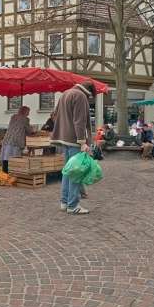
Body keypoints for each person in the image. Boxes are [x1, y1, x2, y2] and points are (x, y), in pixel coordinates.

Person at [50, 81, 94, 215]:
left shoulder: (65, 93)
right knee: (75, 172)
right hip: (74, 140)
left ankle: (64, 202)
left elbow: (54, 115)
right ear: (89, 91)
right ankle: (73, 205)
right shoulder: (80, 96)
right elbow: (79, 121)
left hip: (64, 139)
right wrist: (82, 142)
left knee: (67, 171)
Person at [0, 104, 29, 175]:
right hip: (16, 140)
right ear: (25, 112)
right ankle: (12, 173)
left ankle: (5, 173)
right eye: (28, 112)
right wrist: (34, 132)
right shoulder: (25, 119)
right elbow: (28, 130)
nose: (29, 113)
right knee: (14, 158)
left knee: (6, 156)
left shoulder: (13, 117)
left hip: (8, 138)